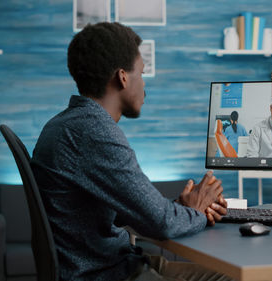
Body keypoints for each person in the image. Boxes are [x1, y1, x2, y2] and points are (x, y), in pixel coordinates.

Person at [31, 22, 230, 281]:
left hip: (116, 266)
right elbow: (162, 224)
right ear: (123, 77)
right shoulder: (93, 132)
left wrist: (184, 208)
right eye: (142, 74)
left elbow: (140, 214)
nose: (144, 86)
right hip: (110, 275)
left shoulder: (67, 125)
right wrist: (198, 211)